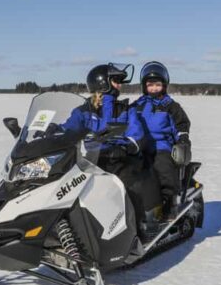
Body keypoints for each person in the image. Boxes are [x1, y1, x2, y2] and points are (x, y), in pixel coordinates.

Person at [61, 63, 161, 233]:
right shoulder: (84, 111)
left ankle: (139, 224)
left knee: (126, 184)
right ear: (102, 82)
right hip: (94, 159)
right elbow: (68, 128)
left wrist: (127, 145)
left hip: (123, 158)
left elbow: (136, 133)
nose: (119, 85)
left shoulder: (125, 109)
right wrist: (50, 131)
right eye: (115, 81)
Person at [134, 61, 191, 220]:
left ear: (164, 85)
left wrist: (183, 140)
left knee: (162, 167)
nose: (153, 88)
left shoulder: (171, 106)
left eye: (157, 85)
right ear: (144, 86)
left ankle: (169, 202)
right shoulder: (137, 105)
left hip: (162, 146)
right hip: (140, 146)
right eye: (150, 85)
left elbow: (182, 125)